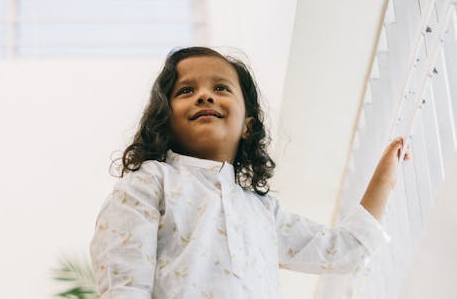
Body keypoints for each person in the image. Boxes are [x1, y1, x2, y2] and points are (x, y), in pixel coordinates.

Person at [89, 47, 411, 299]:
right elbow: (125, 278)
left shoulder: (263, 212)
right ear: (165, 120)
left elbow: (344, 251)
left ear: (248, 126)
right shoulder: (151, 182)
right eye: (186, 91)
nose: (205, 95)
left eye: (220, 87)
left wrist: (385, 177)